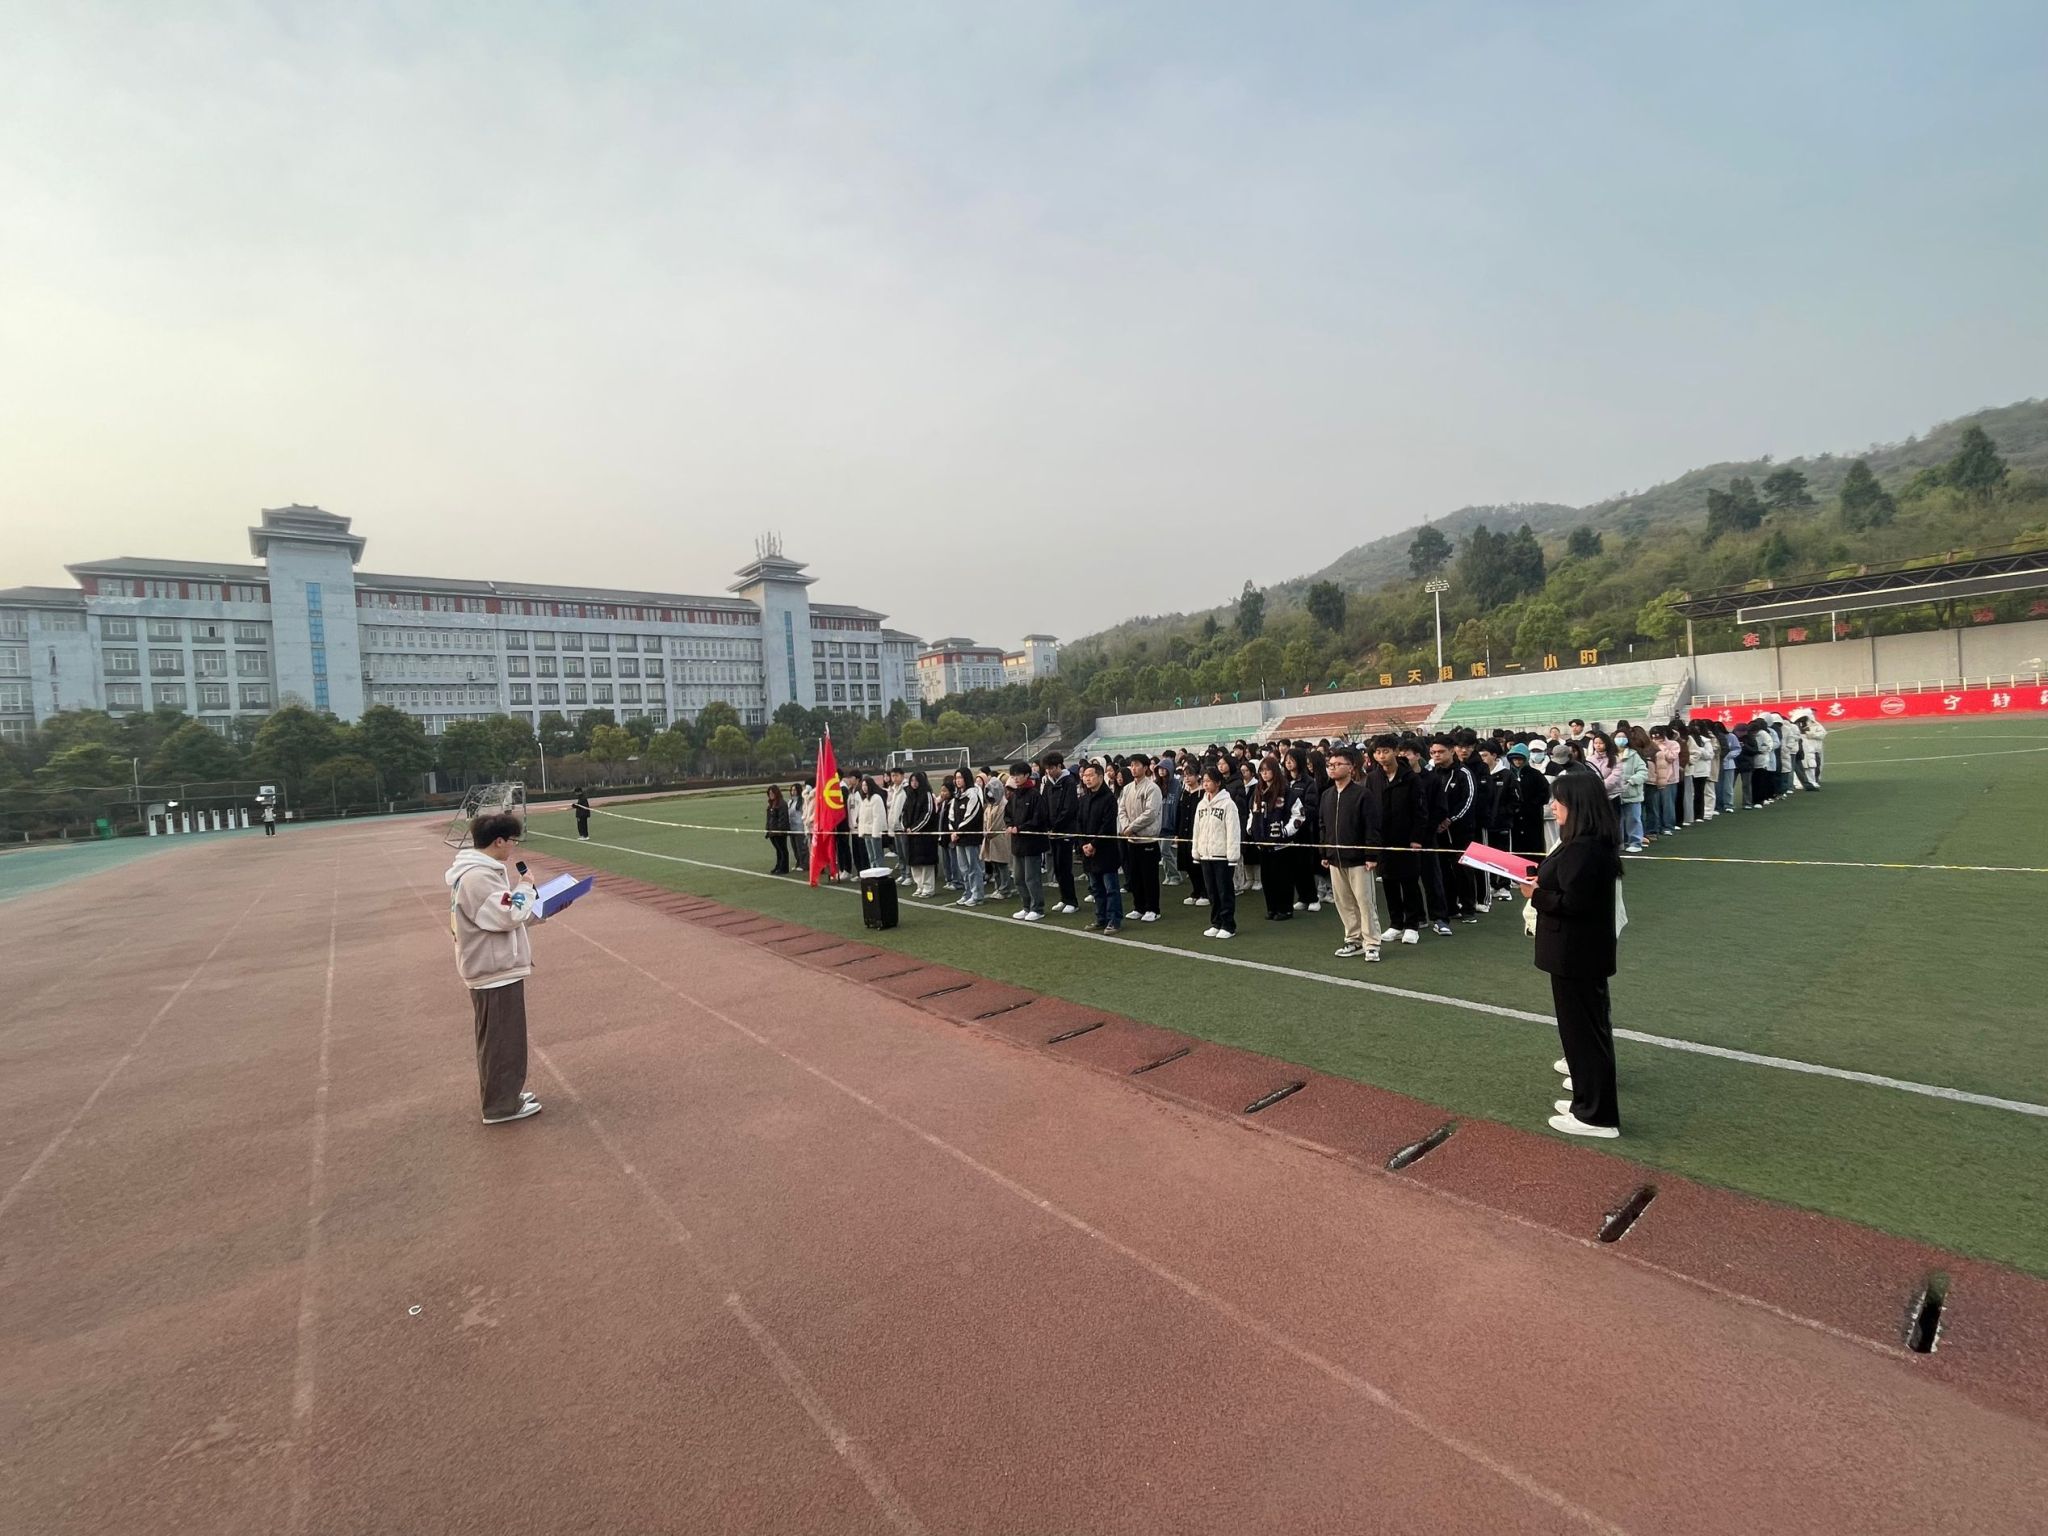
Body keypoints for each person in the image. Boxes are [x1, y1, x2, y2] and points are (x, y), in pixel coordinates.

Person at [1515, 772, 1623, 1140]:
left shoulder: (1585, 848)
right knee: (1582, 1031)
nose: (1553, 806)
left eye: (1558, 800)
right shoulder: (1580, 842)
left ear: (1576, 804)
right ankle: (1586, 1100)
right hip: (1576, 952)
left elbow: (1575, 903)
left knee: (1585, 1033)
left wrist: (1535, 894)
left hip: (1577, 953)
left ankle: (1596, 1116)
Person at [444, 812, 545, 1125]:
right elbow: (508, 914)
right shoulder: (478, 877)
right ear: (499, 841)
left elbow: (505, 914)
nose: (514, 846)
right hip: (492, 971)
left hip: (495, 967)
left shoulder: (482, 873)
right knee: (502, 1041)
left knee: (502, 1038)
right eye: (512, 840)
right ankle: (500, 1105)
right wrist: (526, 886)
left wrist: (543, 908)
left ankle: (506, 1094)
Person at [1319, 745, 1383, 960]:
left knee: (1365, 902)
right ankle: (1353, 940)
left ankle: (1372, 943)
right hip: (1335, 860)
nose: (1333, 768)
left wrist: (1371, 855)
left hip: (1359, 861)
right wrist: (1325, 852)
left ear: (1351, 767)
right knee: (1344, 903)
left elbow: (1372, 826)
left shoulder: (1362, 794)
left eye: (1338, 764)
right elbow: (1323, 826)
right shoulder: (1327, 795)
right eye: (1330, 765)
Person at [1368, 737, 1423, 944]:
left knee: (1409, 882)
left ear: (1395, 752)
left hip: (1406, 838)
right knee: (1388, 881)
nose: (1382, 756)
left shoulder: (1410, 777)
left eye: (1386, 751)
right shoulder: (1373, 778)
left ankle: (1412, 925)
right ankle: (1396, 924)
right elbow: (1369, 809)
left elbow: (1420, 810)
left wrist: (1416, 838)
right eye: (1378, 752)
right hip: (1382, 839)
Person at [1190, 764, 1242, 939]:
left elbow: (1233, 831)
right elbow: (1196, 830)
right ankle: (1216, 922)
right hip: (1206, 854)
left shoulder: (1228, 804)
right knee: (1212, 891)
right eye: (1203, 781)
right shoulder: (1201, 804)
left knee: (1224, 891)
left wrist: (1232, 855)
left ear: (1218, 782)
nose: (1205, 784)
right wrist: (1196, 851)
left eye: (1209, 781)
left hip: (1222, 856)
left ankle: (1228, 925)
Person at [1075, 761, 1125, 934]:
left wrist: (1094, 844)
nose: (1087, 779)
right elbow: (1079, 823)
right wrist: (1083, 844)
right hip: (1088, 852)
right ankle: (1100, 918)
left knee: (1111, 888)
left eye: (1090, 775)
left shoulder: (1109, 799)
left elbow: (1107, 825)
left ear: (1100, 777)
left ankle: (1114, 920)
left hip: (1105, 850)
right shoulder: (1084, 799)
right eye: (1085, 776)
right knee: (1095, 888)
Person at [1246, 758, 1296, 923]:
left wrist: (1285, 831)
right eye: (1262, 770)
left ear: (1275, 771)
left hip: (1281, 846)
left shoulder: (1286, 791)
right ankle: (1271, 908)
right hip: (1262, 844)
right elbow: (1252, 812)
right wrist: (1251, 828)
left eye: (1267, 770)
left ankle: (1285, 909)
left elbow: (1298, 814)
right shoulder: (1257, 791)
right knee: (1267, 879)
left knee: (1283, 878)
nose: (1264, 773)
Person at [1118, 752, 1163, 923]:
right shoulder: (1127, 788)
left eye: (1137, 765)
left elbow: (1150, 813)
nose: (1134, 768)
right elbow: (1121, 810)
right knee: (1135, 874)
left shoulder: (1152, 788)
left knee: (1149, 876)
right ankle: (1139, 907)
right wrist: (1126, 827)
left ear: (1145, 768)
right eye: (1132, 765)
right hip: (1132, 839)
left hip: (1147, 839)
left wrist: (1131, 827)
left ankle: (1153, 909)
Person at [1039, 752, 1081, 914]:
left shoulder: (1069, 781)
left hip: (1065, 831)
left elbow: (1069, 808)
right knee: (1056, 867)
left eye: (1052, 768)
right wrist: (1047, 825)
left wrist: (1056, 827)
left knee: (1065, 867)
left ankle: (1072, 901)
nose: (1049, 771)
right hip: (1052, 831)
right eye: (1047, 768)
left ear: (1059, 766)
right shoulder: (1048, 783)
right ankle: (1064, 898)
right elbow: (1044, 804)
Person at [945, 767, 986, 907]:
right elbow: (951, 816)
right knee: (963, 868)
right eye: (956, 778)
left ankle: (977, 895)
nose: (958, 780)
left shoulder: (973, 795)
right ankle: (967, 893)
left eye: (960, 777)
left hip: (970, 838)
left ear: (966, 778)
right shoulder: (956, 797)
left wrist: (958, 832)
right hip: (959, 839)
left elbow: (971, 816)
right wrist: (952, 831)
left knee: (974, 867)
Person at [900, 770, 940, 897]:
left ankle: (928, 888)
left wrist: (915, 829)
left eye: (916, 780)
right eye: (912, 780)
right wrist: (906, 827)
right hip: (911, 836)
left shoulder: (927, 795)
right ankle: (920, 886)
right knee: (914, 861)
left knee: (926, 862)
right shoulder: (909, 795)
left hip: (924, 836)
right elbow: (903, 813)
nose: (914, 783)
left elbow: (927, 814)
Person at [857, 775, 890, 869]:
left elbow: (877, 817)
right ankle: (873, 871)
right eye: (863, 785)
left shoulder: (876, 798)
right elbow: (862, 818)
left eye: (866, 785)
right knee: (871, 856)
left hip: (874, 832)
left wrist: (875, 833)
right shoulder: (864, 800)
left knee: (877, 856)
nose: (864, 787)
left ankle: (880, 872)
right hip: (866, 832)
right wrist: (862, 831)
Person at [765, 785, 792, 874]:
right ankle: (778, 865)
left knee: (782, 849)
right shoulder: (771, 804)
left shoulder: (781, 804)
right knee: (778, 849)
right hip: (772, 831)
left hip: (779, 832)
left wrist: (780, 830)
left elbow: (783, 818)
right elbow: (769, 819)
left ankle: (784, 868)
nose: (771, 795)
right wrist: (768, 829)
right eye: (769, 793)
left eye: (772, 793)